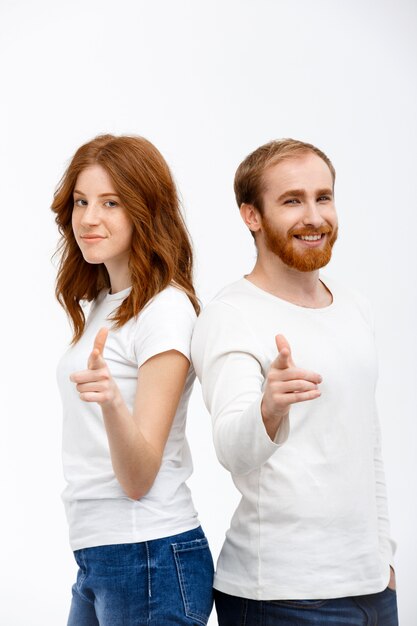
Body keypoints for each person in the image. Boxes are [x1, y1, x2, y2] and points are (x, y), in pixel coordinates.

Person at [191, 139, 398, 625]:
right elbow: (230, 449)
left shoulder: (352, 306)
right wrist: (268, 410)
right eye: (291, 201)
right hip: (281, 595)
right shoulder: (231, 314)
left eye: (322, 197)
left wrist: (382, 556)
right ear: (251, 216)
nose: (314, 216)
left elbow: (367, 443)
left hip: (370, 587)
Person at [52, 134, 214, 626]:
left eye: (111, 203)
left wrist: (112, 404)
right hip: (104, 553)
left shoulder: (165, 309)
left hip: (148, 552)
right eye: (81, 202)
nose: (88, 218)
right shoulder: (105, 304)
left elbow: (140, 477)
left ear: (145, 210)